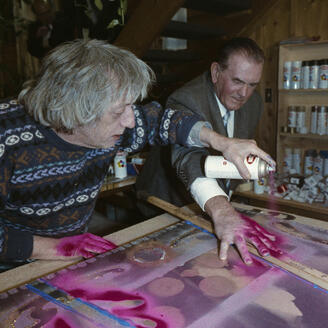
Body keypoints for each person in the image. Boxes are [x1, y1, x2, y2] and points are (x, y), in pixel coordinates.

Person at [0, 38, 268, 264]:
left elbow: (164, 121)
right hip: (12, 264)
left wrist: (223, 143)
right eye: (119, 112)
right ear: (75, 111)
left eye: (130, 107)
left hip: (71, 249)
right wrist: (50, 248)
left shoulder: (114, 123)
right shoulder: (6, 138)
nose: (130, 121)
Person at [136, 37, 278, 265]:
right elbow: (188, 159)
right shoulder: (186, 99)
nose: (244, 93)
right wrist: (221, 210)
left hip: (211, 206)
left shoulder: (255, 103)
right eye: (238, 81)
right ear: (215, 72)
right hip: (168, 200)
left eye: (252, 85)